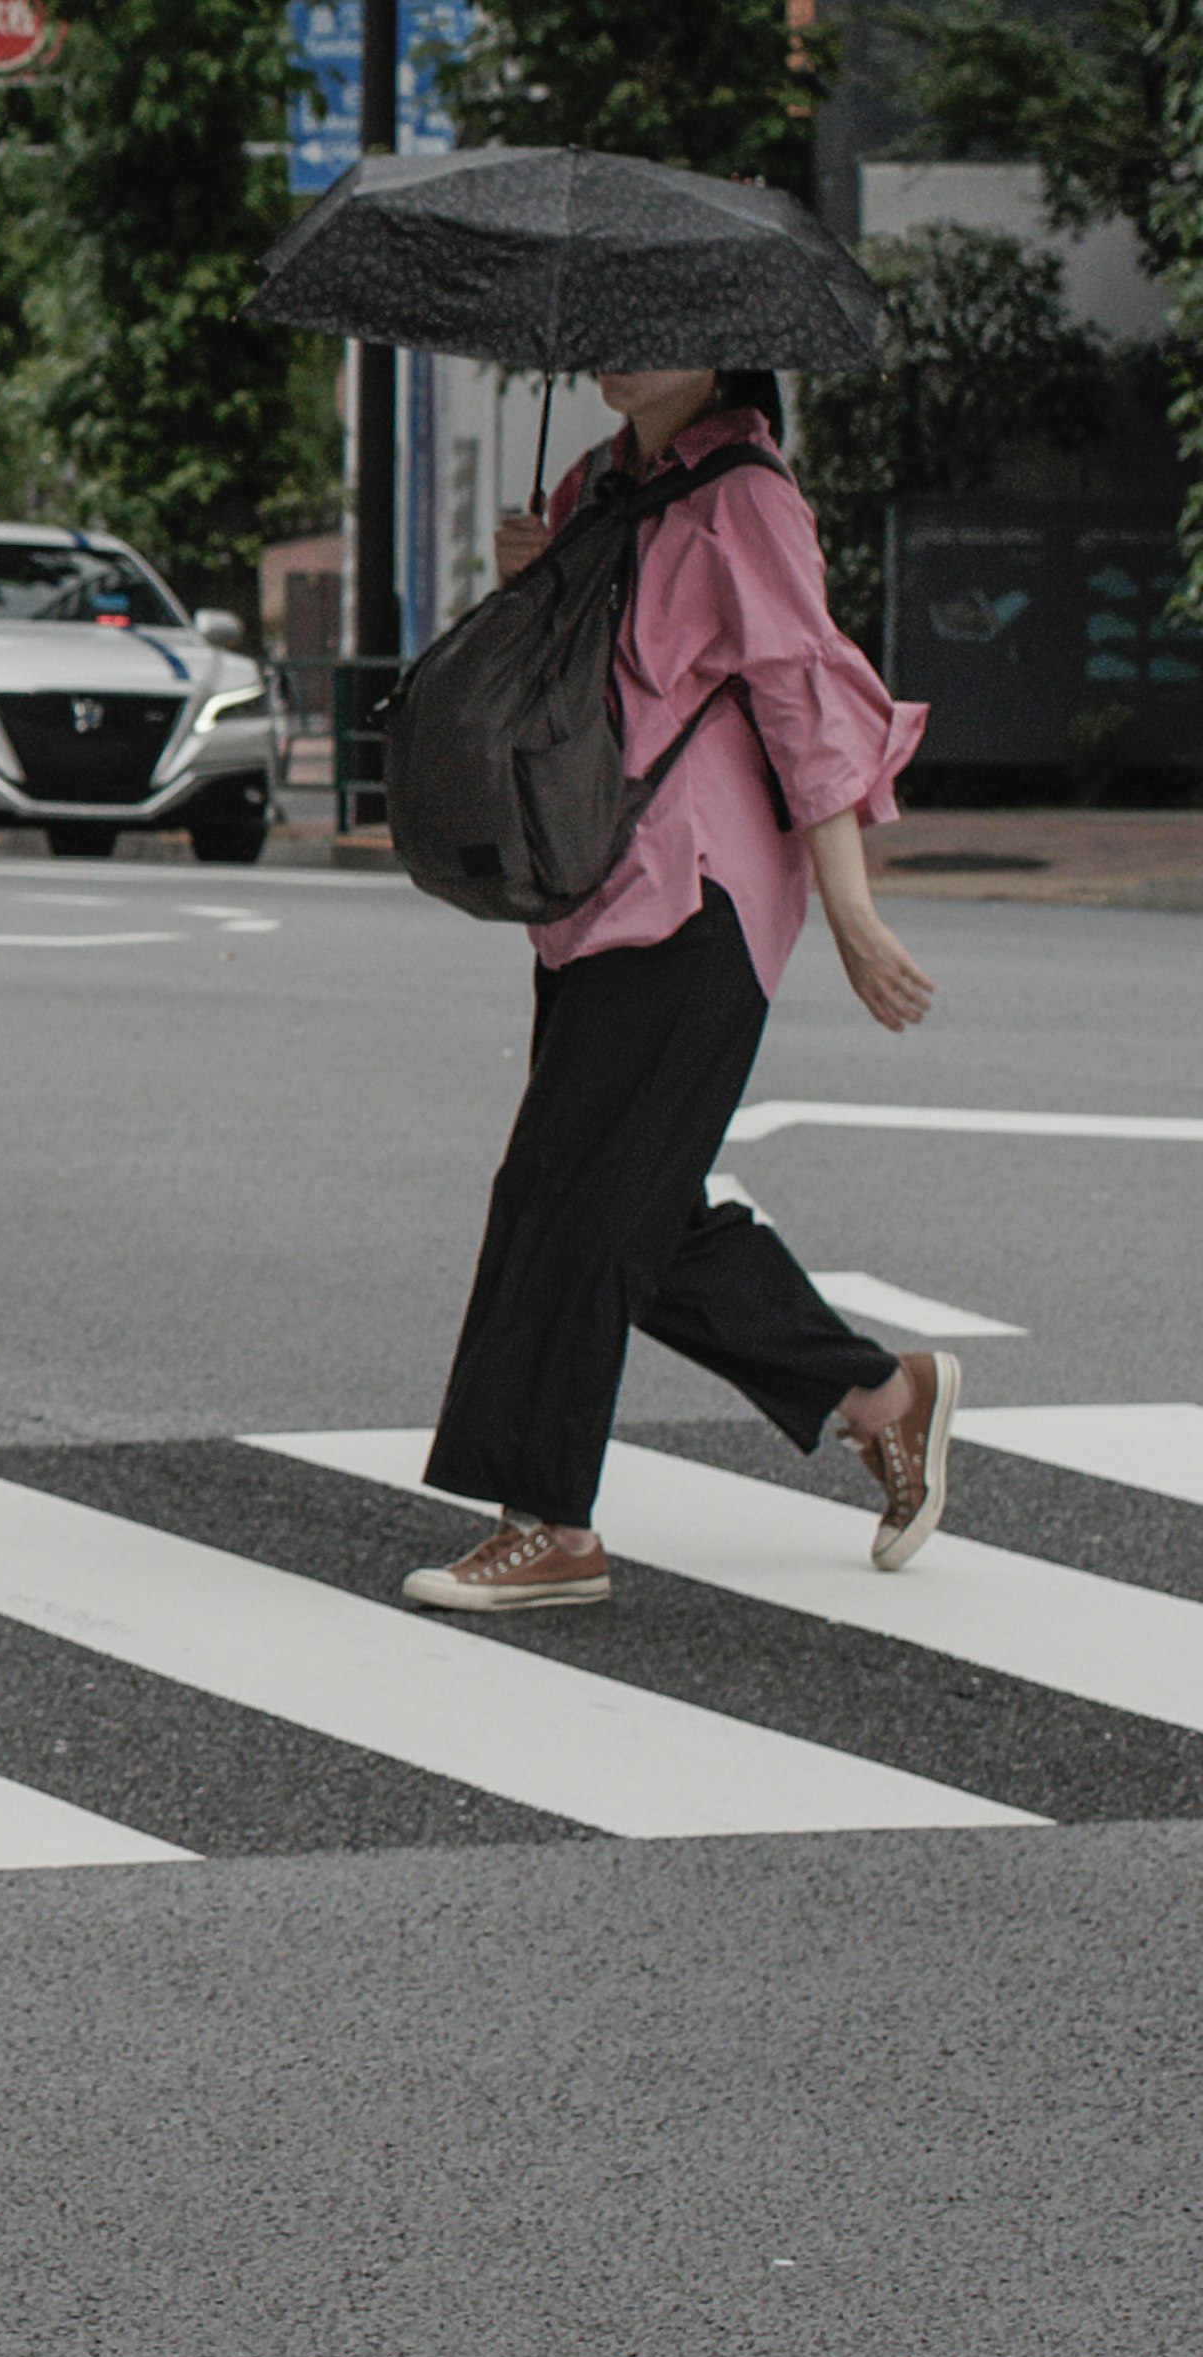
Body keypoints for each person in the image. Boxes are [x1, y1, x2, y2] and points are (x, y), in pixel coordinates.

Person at [405, 362, 951, 1620]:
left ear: (723, 349)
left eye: (661, 332)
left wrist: (855, 912)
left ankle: (549, 1522)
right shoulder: (598, 485)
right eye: (612, 330)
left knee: (577, 1191)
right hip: (595, 892)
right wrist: (529, 575)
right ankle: (879, 1394)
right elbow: (574, 690)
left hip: (701, 898)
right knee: (624, 1196)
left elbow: (806, 699)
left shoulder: (745, 494)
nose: (624, 352)